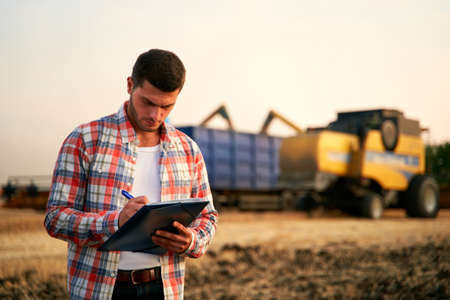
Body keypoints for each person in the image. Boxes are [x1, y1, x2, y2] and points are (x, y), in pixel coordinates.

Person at [45, 49, 218, 300]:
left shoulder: (188, 150)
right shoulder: (84, 140)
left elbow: (208, 217)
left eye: (166, 106)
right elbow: (55, 218)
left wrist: (191, 240)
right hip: (99, 289)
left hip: (165, 288)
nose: (155, 115)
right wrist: (114, 222)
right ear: (129, 85)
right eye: (148, 102)